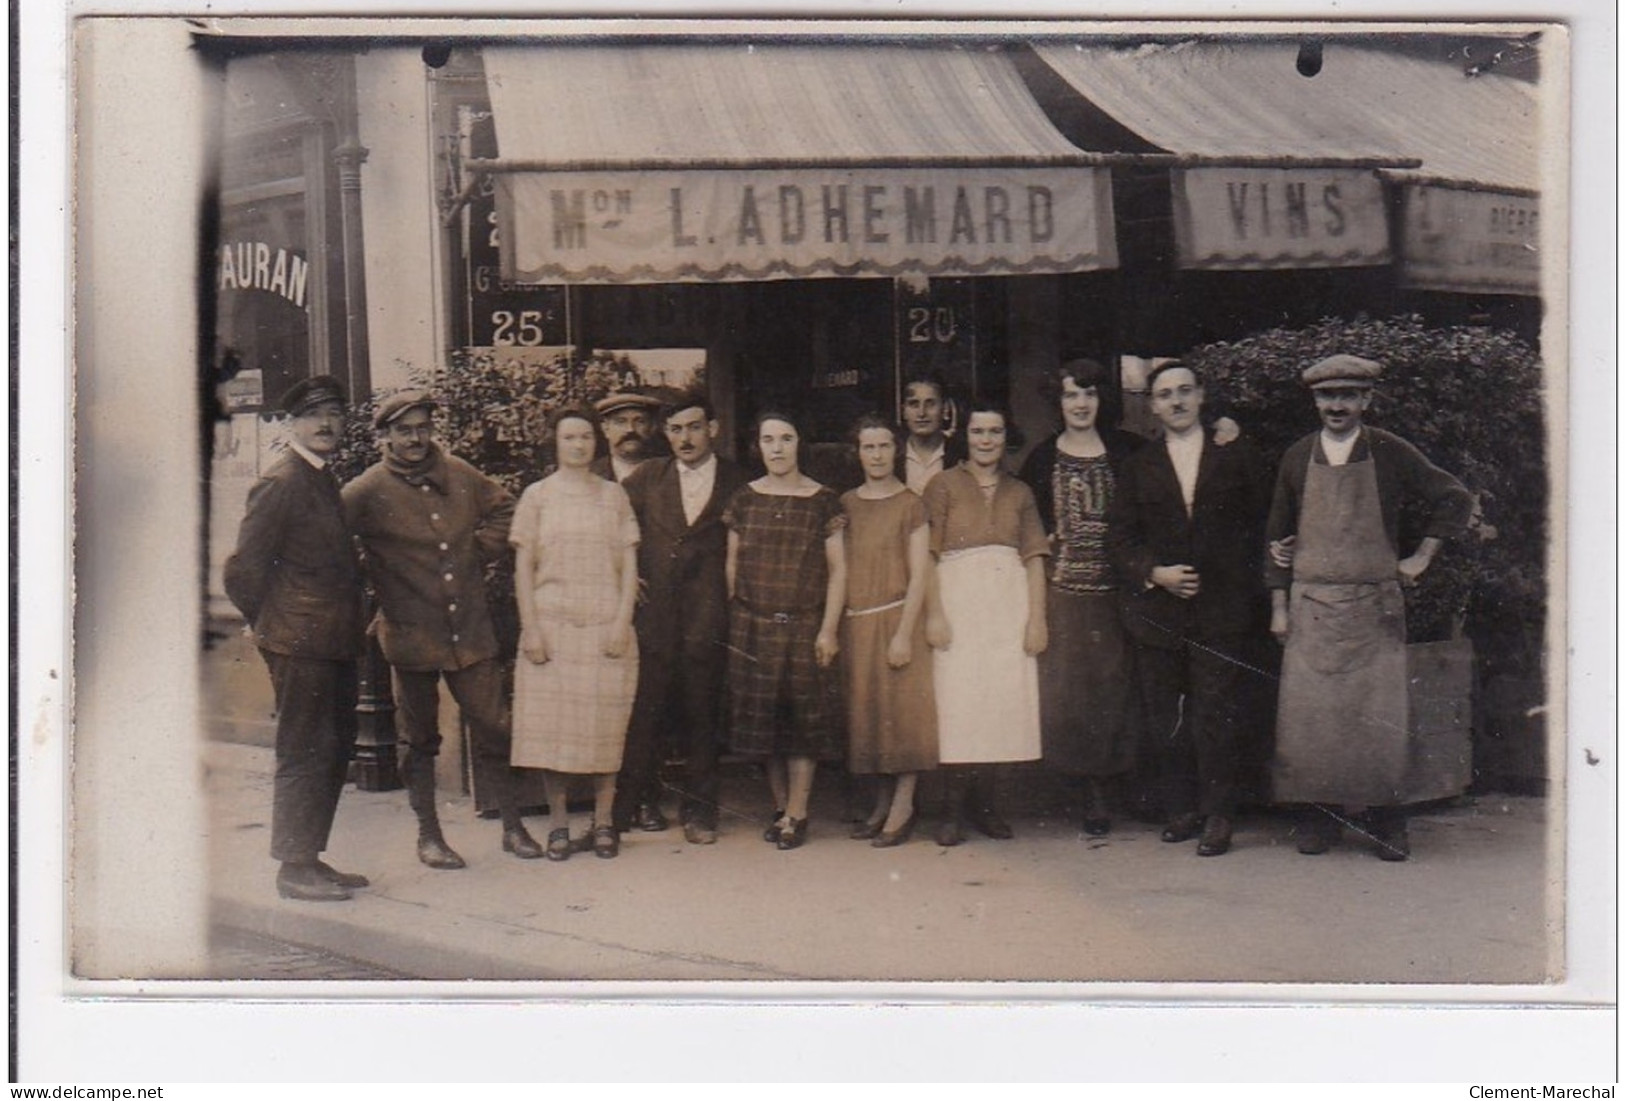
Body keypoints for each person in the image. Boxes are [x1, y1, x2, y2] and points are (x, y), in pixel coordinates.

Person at [1267, 354, 1473, 861]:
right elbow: (1275, 535)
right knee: (1312, 722)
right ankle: (1320, 819)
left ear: (1366, 400)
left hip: (1374, 608)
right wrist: (1278, 604)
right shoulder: (1297, 456)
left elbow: (1454, 498)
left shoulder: (1390, 452)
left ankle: (1388, 823)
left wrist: (1422, 556)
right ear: (1315, 401)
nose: (1336, 405)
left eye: (1347, 395)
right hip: (1311, 606)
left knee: (1379, 721)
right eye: (1326, 396)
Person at [343, 390, 541, 868]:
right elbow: (332, 541)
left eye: (422, 428)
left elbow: (508, 508)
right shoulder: (365, 490)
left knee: (493, 725)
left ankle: (513, 827)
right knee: (419, 739)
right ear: (385, 436)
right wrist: (371, 580)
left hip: (469, 630)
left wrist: (477, 549)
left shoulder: (459, 472)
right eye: (404, 430)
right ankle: (428, 835)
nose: (415, 439)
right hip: (412, 635)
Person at [1105, 361, 1270, 857]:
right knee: (1165, 716)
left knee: (1214, 712)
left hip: (1222, 609)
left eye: (1184, 391)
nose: (1175, 401)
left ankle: (1219, 813)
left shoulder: (1235, 454)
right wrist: (1155, 573)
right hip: (1159, 611)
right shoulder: (1138, 466)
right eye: (1164, 394)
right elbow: (1120, 537)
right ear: (1152, 406)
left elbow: (1261, 519)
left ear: (1200, 396)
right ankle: (1181, 808)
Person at [224, 375, 370, 902]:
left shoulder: (320, 477)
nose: (327, 424)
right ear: (291, 425)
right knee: (305, 748)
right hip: (299, 640)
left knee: (331, 749)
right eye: (314, 416)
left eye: (334, 414)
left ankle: (310, 855)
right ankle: (293, 868)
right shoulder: (282, 481)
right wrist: (271, 626)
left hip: (331, 638)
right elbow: (243, 569)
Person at [1017, 359, 1145, 836]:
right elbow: (1026, 524)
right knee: (1073, 693)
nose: (1081, 404)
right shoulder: (1042, 458)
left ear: (1100, 400)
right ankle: (1086, 790)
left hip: (1118, 592)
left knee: (1118, 689)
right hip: (1065, 593)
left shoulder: (1128, 450)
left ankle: (1120, 784)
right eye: (1071, 395)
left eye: (1089, 394)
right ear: (1059, 402)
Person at [613, 396, 749, 843]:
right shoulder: (648, 476)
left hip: (710, 613)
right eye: (674, 429)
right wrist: (624, 576)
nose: (684, 438)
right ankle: (631, 806)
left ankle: (700, 813)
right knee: (646, 710)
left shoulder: (739, 480)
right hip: (656, 615)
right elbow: (606, 519)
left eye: (693, 427)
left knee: (701, 715)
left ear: (713, 428)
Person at [510, 408, 641, 860]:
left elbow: (629, 567)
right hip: (553, 629)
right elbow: (523, 568)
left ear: (597, 442)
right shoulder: (537, 497)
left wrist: (622, 622)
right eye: (570, 437)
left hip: (604, 629)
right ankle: (560, 825)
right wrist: (531, 629)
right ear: (556, 443)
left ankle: (604, 822)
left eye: (586, 436)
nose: (579, 445)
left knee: (606, 727)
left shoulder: (614, 497)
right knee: (554, 734)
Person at [922, 401, 1049, 846]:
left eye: (995, 432)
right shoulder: (942, 485)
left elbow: (1034, 558)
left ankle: (989, 808)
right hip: (958, 603)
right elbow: (928, 555)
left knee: (999, 706)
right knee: (959, 706)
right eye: (978, 432)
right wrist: (934, 613)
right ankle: (951, 811)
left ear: (1005, 437)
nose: (986, 440)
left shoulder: (1021, 492)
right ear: (966, 436)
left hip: (1007, 607)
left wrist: (1037, 619)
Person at [723, 410, 848, 850]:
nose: (777, 448)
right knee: (765, 728)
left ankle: (798, 812)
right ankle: (781, 807)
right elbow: (732, 568)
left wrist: (828, 629)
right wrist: (740, 621)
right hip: (754, 627)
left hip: (804, 626)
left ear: (800, 443)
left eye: (786, 438)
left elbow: (838, 571)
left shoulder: (823, 500)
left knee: (802, 727)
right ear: (757, 446)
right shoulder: (743, 499)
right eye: (768, 439)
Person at [839, 415, 939, 847]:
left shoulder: (911, 503)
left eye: (883, 446)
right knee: (870, 718)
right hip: (857, 623)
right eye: (868, 447)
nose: (876, 455)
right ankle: (880, 804)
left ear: (895, 450)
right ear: (857, 452)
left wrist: (903, 632)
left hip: (898, 620)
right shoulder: (845, 503)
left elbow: (921, 573)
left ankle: (904, 805)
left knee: (902, 717)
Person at [897, 373, 965, 494]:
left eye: (930, 404)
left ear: (945, 409)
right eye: (914, 404)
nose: (921, 413)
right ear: (904, 411)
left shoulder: (962, 456)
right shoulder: (893, 456)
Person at [591, 391, 663, 483]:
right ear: (605, 429)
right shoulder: (587, 475)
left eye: (640, 421)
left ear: (653, 427)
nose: (630, 429)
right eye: (621, 422)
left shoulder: (670, 473)